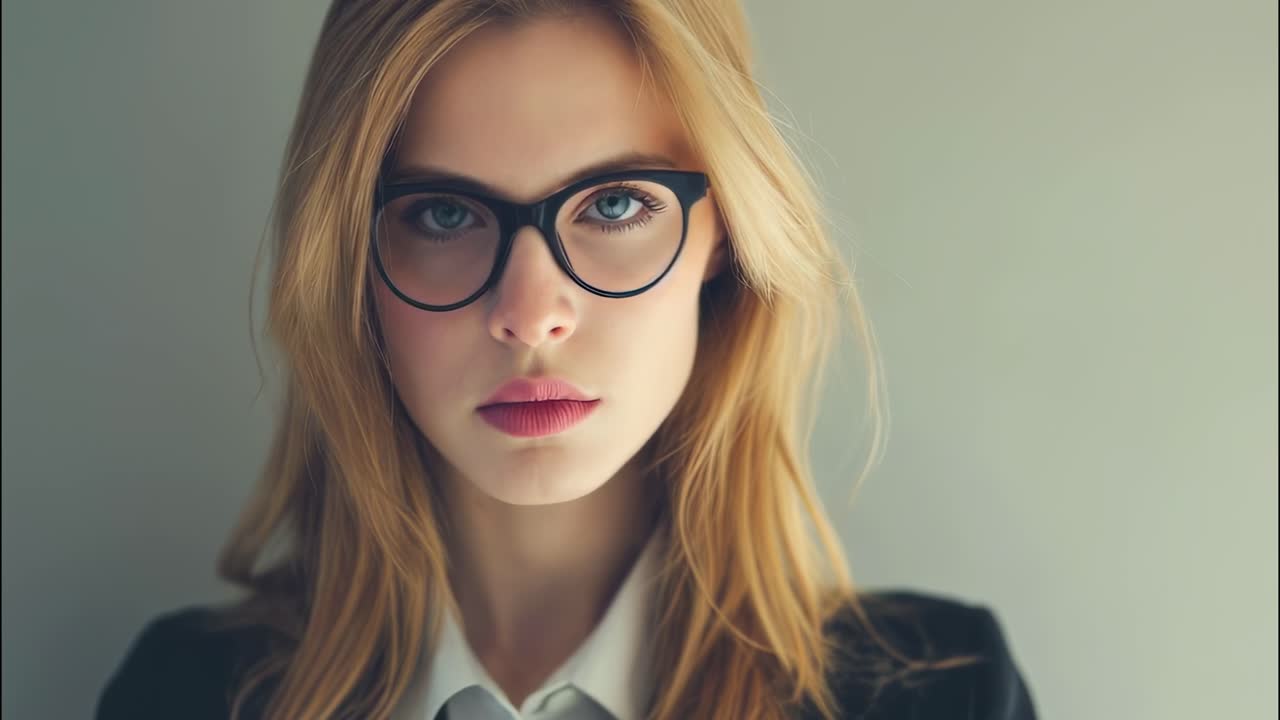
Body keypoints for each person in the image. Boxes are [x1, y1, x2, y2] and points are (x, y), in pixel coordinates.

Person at [96, 1, 1038, 718]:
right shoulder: (182, 696)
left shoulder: (947, 695)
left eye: (615, 205)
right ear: (348, 257)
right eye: (444, 214)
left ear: (725, 235)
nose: (529, 315)